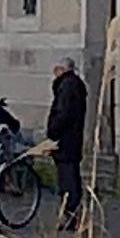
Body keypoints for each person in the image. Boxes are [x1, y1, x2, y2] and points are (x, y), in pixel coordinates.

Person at [47, 55, 89, 225]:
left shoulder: (67, 86)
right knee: (71, 176)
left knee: (67, 178)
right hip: (73, 139)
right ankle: (72, 212)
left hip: (65, 140)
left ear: (61, 70)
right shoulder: (74, 85)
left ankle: (70, 214)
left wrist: (53, 131)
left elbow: (63, 113)